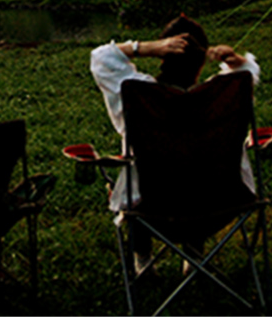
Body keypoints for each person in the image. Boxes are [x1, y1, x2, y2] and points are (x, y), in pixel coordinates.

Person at [90, 15, 260, 274]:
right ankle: (193, 257)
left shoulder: (140, 94)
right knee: (195, 175)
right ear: (202, 62)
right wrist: (233, 59)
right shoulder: (221, 98)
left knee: (133, 183)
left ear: (162, 56)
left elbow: (101, 59)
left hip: (152, 210)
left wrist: (143, 48)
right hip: (219, 204)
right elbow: (246, 77)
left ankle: (143, 261)